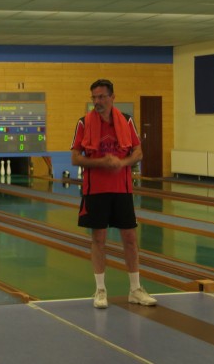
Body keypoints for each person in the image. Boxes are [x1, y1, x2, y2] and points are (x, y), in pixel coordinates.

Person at [71, 79, 156, 309]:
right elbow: (75, 158)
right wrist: (101, 162)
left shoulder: (126, 121)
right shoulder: (83, 123)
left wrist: (122, 163)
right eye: (94, 97)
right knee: (99, 239)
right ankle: (100, 290)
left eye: (101, 97)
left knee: (130, 238)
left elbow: (138, 152)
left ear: (112, 97)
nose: (97, 101)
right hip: (95, 190)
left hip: (122, 189)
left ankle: (135, 290)